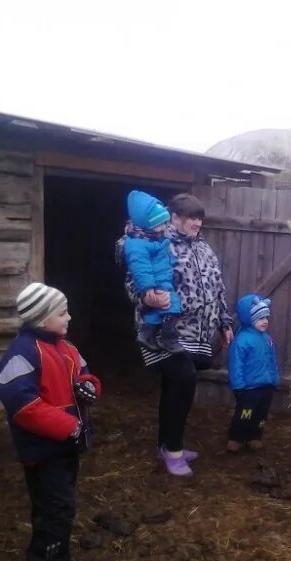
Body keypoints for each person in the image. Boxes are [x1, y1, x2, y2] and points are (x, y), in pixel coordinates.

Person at [116, 193, 234, 476]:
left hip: (196, 331)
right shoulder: (157, 242)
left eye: (199, 218)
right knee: (183, 381)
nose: (196, 223)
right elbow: (134, 279)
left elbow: (216, 287)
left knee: (174, 387)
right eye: (191, 218)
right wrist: (147, 298)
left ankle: (165, 444)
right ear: (174, 218)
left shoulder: (203, 247)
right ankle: (174, 451)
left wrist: (224, 322)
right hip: (164, 329)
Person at [0, 282, 102, 561]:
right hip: (43, 451)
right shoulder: (23, 353)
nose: (69, 318)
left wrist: (90, 386)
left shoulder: (67, 348)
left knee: (63, 508)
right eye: (63, 313)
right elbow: (23, 404)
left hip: (67, 446)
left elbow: (86, 374)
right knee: (53, 511)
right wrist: (70, 426)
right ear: (42, 318)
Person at [122, 189, 183, 354]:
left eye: (165, 222)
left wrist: (173, 267)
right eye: (160, 223)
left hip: (163, 279)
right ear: (147, 223)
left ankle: (148, 334)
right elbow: (140, 269)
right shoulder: (136, 244)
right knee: (172, 305)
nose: (165, 227)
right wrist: (148, 289)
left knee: (160, 310)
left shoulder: (158, 238)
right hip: (156, 282)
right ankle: (167, 337)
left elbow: (165, 258)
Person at [226, 294, 280, 453]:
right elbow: (236, 364)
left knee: (261, 415)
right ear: (248, 318)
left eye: (266, 317)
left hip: (266, 386)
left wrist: (274, 379)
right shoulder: (242, 340)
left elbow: (272, 360)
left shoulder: (267, 339)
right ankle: (236, 437)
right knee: (245, 413)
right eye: (259, 318)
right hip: (249, 388)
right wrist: (238, 385)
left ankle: (255, 436)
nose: (264, 321)